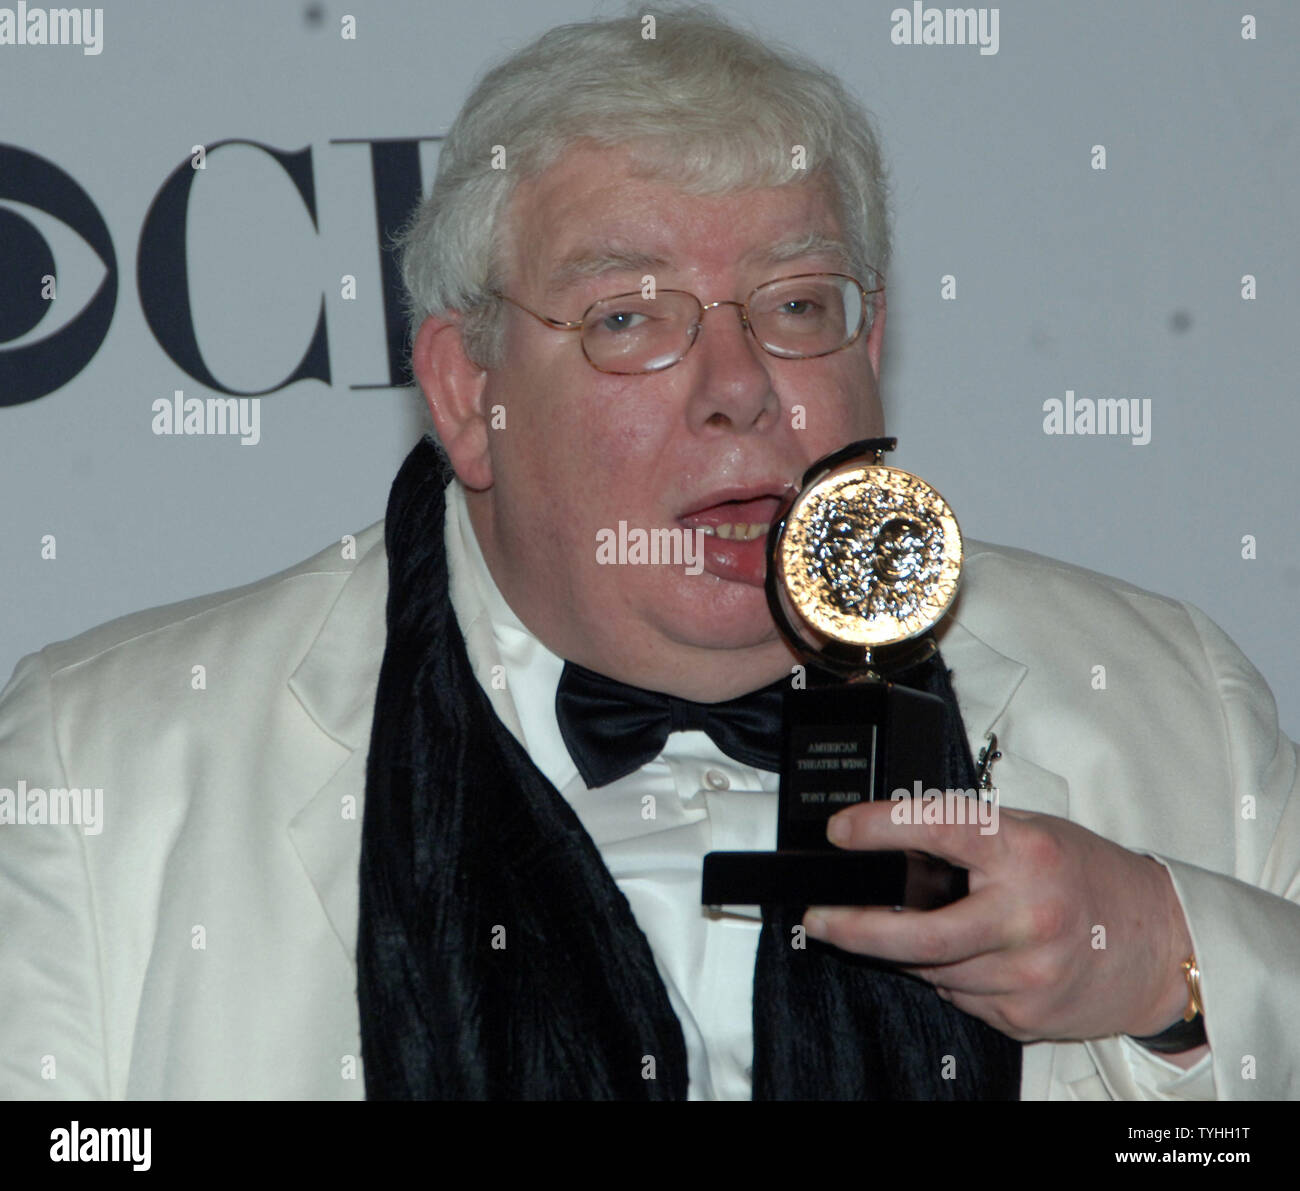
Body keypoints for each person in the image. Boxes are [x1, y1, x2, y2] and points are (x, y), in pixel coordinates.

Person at [1, 7, 1296, 1101]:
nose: (739, 389)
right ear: (467, 394)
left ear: (872, 346)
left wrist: (1175, 973)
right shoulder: (98, 769)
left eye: (796, 307)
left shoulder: (1173, 706)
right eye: (628, 318)